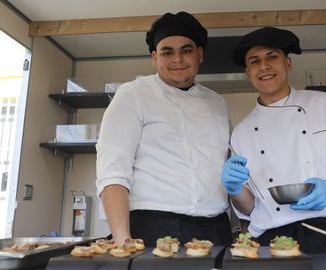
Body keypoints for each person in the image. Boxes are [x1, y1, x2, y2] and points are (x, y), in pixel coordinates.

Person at [221, 27, 326, 253]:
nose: (264, 66)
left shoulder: (325, 104)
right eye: (254, 61)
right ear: (248, 72)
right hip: (274, 238)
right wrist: (234, 189)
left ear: (288, 64)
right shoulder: (242, 132)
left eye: (272, 57)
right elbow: (250, 206)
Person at [96, 11, 232, 247]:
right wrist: (121, 240)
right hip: (153, 227)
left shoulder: (217, 102)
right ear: (154, 57)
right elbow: (113, 171)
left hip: (216, 229)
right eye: (167, 52)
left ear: (199, 54)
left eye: (186, 50)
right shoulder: (133, 94)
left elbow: (229, 170)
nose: (177, 59)